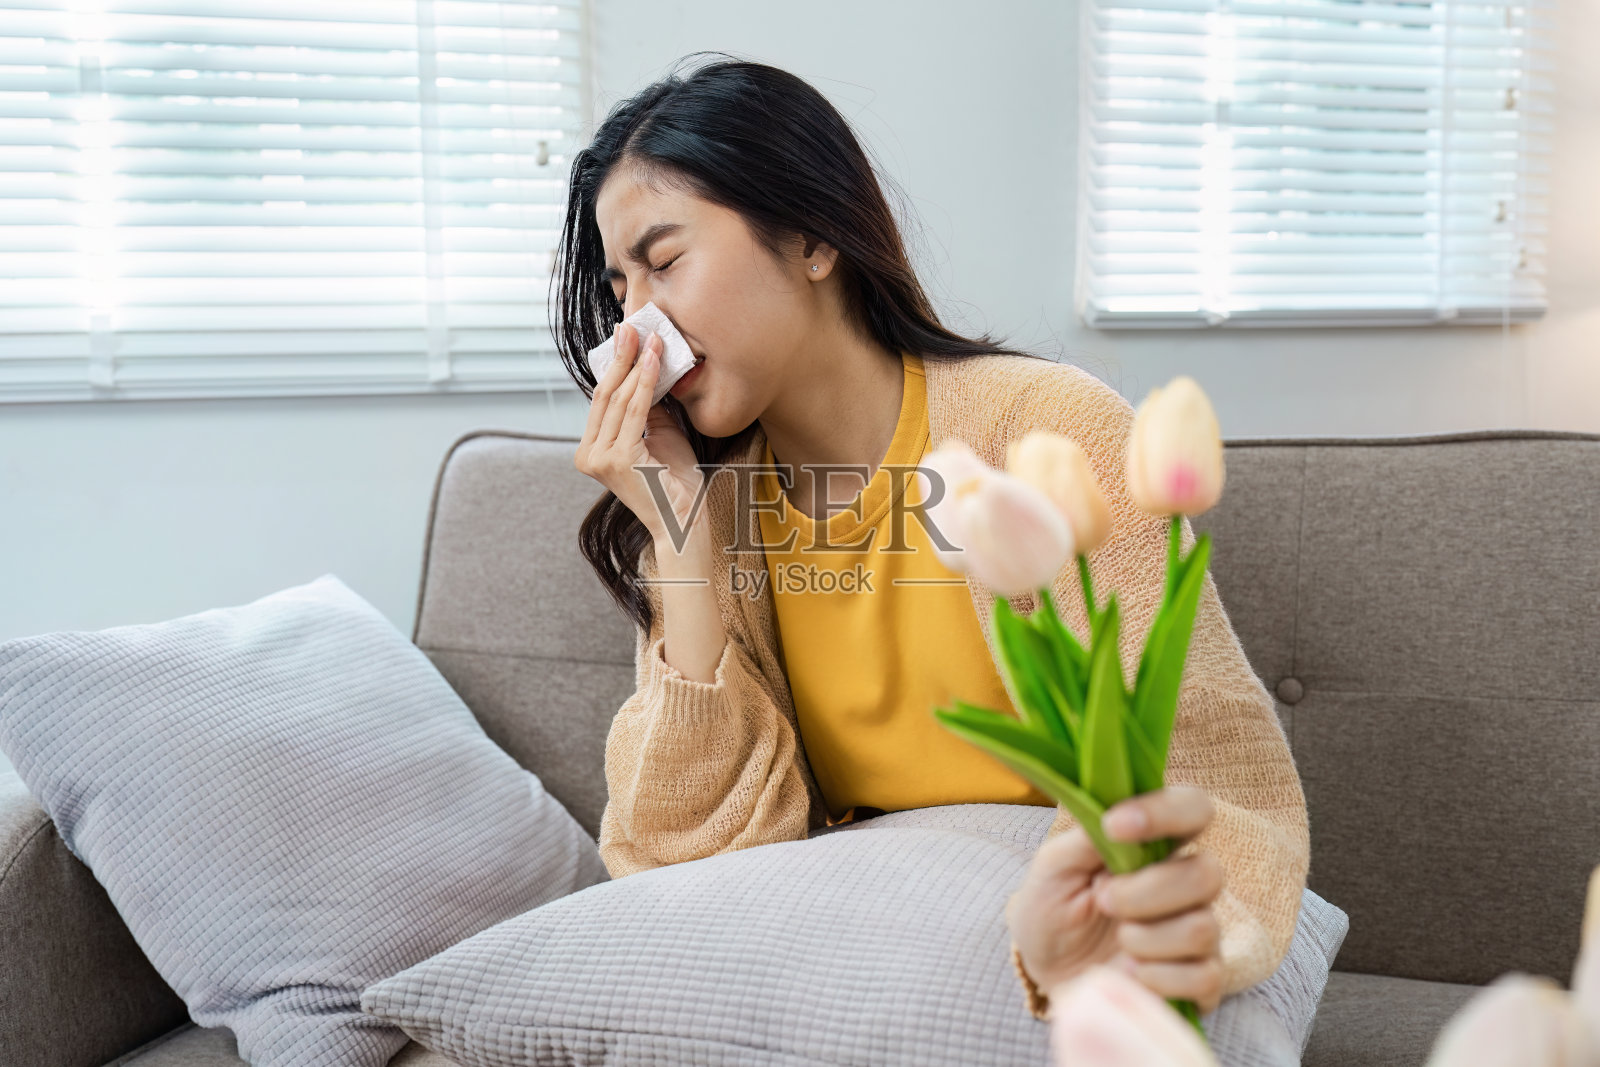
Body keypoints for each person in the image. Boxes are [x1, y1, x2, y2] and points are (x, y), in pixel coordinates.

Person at [564, 53, 1309, 1023]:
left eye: (663, 262)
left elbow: (1208, 771)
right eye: (619, 286)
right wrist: (680, 538)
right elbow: (678, 868)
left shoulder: (1047, 430)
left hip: (1072, 924)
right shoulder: (714, 508)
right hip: (861, 950)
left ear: (812, 240)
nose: (635, 326)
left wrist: (1082, 918)